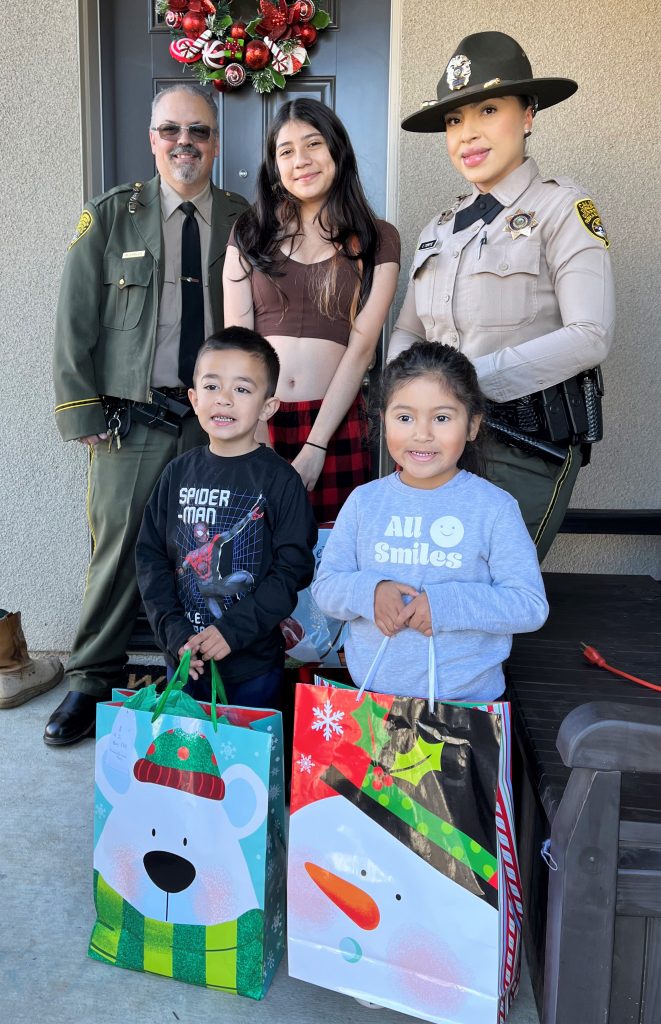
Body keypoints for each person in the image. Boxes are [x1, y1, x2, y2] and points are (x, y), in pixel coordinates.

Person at [45, 84, 248, 746]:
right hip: (130, 420)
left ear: (216, 142)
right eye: (170, 130)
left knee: (210, 557)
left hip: (215, 422)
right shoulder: (110, 217)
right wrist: (83, 413)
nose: (184, 141)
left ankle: (197, 680)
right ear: (151, 137)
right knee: (118, 556)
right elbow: (74, 323)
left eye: (199, 130)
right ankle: (91, 679)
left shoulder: (243, 218)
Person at [388, 31, 615, 560]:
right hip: (432, 444)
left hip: (520, 447)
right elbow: (409, 330)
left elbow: (591, 336)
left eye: (488, 109)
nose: (468, 134)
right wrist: (408, 397)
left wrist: (458, 388)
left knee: (479, 600)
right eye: (453, 120)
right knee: (419, 590)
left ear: (528, 114)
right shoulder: (437, 228)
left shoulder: (563, 210)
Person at [312, 342, 548, 702]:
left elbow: (529, 605)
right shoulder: (364, 502)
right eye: (405, 418)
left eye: (441, 418)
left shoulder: (494, 508)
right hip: (370, 707)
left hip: (467, 710)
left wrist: (446, 605)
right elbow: (326, 588)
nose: (422, 434)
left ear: (472, 425)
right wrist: (370, 592)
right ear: (384, 420)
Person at [223, 99, 400, 524]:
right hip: (258, 421)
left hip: (335, 425)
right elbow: (237, 346)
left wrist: (317, 444)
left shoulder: (379, 238)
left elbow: (361, 349)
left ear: (337, 151)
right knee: (252, 560)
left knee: (331, 560)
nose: (301, 161)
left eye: (313, 144)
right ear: (274, 166)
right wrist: (258, 438)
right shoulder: (249, 233)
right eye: (286, 151)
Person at [135, 327, 318, 708]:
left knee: (247, 765)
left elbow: (293, 569)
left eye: (242, 389)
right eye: (212, 387)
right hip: (184, 658)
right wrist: (173, 631)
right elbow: (150, 557)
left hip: (252, 666)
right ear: (194, 398)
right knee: (185, 760)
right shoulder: (176, 474)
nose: (224, 400)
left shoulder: (280, 481)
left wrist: (232, 631)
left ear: (268, 407)